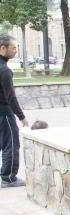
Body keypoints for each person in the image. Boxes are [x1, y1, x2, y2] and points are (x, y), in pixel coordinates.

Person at [0, 34, 29, 188]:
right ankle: (8, 177)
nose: (15, 51)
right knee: (11, 144)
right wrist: (22, 117)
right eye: (13, 48)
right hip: (4, 114)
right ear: (2, 48)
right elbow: (10, 97)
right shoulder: (4, 70)